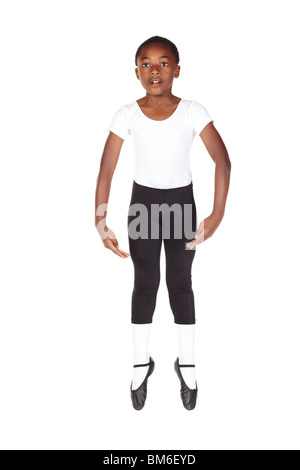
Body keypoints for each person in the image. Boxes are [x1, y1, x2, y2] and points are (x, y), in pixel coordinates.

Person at [95, 35, 231, 411]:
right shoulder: (126, 113)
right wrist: (100, 219)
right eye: (146, 63)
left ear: (177, 69)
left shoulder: (192, 111)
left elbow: (222, 161)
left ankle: (186, 364)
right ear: (136, 70)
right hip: (143, 207)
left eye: (163, 62)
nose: (155, 70)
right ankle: (141, 364)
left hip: (181, 207)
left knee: (180, 282)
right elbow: (107, 168)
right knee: (145, 282)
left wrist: (217, 214)